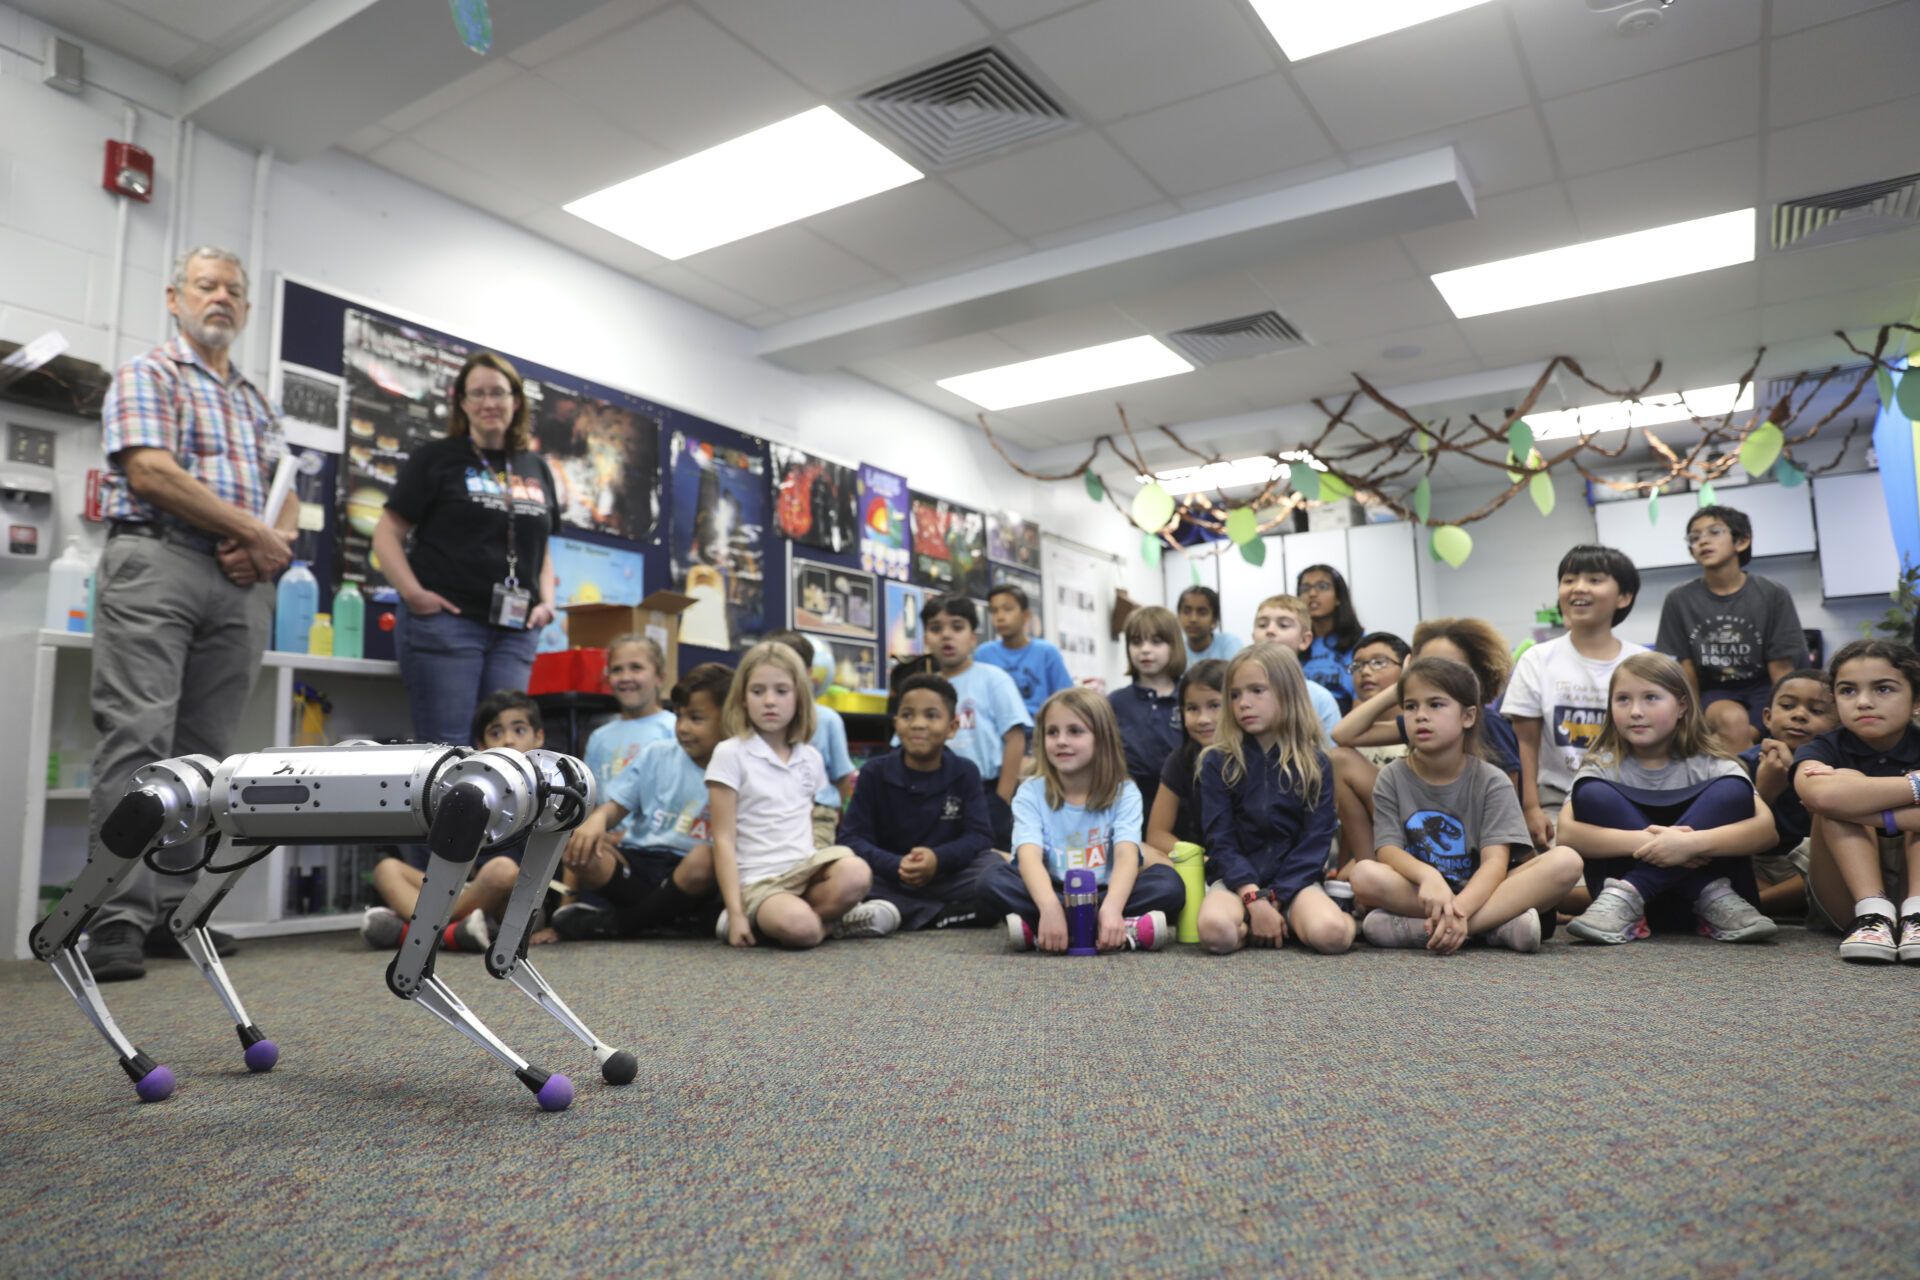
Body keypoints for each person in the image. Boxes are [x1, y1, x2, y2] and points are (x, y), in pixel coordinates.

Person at [82, 246, 297, 983]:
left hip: (238, 581)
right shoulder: (150, 372)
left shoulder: (256, 401)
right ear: (175, 297)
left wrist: (270, 546)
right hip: (159, 562)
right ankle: (112, 916)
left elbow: (286, 492)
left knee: (207, 750)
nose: (222, 299)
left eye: (234, 291)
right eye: (207, 287)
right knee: (138, 736)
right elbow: (151, 472)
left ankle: (178, 911)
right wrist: (252, 532)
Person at [374, 351, 560, 750]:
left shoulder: (535, 467)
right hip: (447, 625)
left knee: (511, 753)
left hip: (516, 631)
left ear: (516, 400)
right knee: (449, 752)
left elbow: (541, 547)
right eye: (477, 394)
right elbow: (387, 533)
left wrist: (548, 601)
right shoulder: (436, 459)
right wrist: (414, 595)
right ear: (461, 402)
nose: (489, 403)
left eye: (498, 392)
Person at [1350, 658, 1583, 954]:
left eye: (1435, 705)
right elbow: (1387, 851)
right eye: (1411, 706)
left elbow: (1495, 865)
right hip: (1423, 891)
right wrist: (1428, 876)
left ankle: (1442, 929)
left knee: (1566, 860)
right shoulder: (1391, 777)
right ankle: (1499, 926)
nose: (1421, 715)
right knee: (1364, 874)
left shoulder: (1492, 780)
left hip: (1488, 890)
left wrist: (1459, 910)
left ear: (1468, 716)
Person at [1559, 654, 1780, 945]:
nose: (1636, 711)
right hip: (1618, 911)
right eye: (1623, 699)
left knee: (1731, 789)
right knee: (1592, 792)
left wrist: (1690, 845)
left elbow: (1766, 832)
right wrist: (1653, 845)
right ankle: (1679, 891)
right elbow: (1566, 834)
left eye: (1651, 698)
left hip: (1722, 910)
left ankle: (1657, 891)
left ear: (1682, 706)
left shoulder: (1714, 765)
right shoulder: (1601, 767)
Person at [708, 642, 899, 948]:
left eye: (782, 691)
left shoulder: (809, 756)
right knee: (803, 931)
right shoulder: (730, 753)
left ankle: (812, 918)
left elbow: (806, 822)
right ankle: (830, 923)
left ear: (800, 696)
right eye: (758, 691)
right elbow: (723, 839)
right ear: (742, 698)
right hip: (759, 881)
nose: (770, 701)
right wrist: (737, 911)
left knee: (857, 872)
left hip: (805, 870)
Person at [534, 663, 733, 942]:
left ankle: (624, 924)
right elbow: (615, 807)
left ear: (730, 719)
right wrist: (597, 822)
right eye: (678, 716)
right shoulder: (658, 753)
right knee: (583, 848)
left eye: (696, 719)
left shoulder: (738, 764)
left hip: (692, 877)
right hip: (641, 861)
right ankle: (675, 921)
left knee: (704, 859)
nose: (683, 728)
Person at [978, 689, 1184, 952]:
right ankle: (1109, 928)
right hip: (1052, 890)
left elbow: (1126, 855)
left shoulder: (1125, 792)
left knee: (1169, 884)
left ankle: (1047, 931)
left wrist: (1111, 908)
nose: (1061, 741)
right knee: (992, 879)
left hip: (1105, 892)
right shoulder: (1030, 791)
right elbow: (1028, 856)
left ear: (1102, 739)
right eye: (1052, 732)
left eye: (1075, 731)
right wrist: (1050, 907)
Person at [1194, 643, 1353, 956]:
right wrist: (1254, 899)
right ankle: (1262, 924)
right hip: (1236, 882)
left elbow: (1315, 842)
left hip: (1295, 883)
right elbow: (1220, 840)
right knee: (1216, 933)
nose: (1244, 704)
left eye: (1257, 690)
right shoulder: (1216, 761)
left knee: (1331, 935)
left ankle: (1337, 915)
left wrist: (1277, 897)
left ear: (1288, 693)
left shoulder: (1316, 763)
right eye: (1235, 695)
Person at [359, 690, 548, 952]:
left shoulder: (549, 788)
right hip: (472, 892)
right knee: (386, 868)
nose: (507, 739)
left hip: (517, 898)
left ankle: (414, 933)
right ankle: (452, 932)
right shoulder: (475, 788)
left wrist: (558, 920)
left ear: (539, 737)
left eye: (518, 730)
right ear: (481, 746)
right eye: (496, 733)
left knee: (502, 870)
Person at [1502, 545, 1647, 853]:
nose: (1578, 588)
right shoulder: (1537, 659)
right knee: (1561, 876)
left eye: (1594, 580)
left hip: (1635, 797)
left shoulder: (1645, 662)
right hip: (1556, 799)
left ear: (1624, 597)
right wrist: (1530, 809)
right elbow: (1524, 743)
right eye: (1569, 580)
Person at [1793, 640, 1920, 963]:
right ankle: (1872, 915)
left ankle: (1917, 914)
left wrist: (1864, 806)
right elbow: (1822, 795)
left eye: (1884, 689)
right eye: (1848, 691)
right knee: (1841, 784)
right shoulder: (1822, 747)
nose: (1864, 702)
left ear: (1916, 700)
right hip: (1845, 890)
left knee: (1847, 791)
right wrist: (1917, 785)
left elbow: (1838, 796)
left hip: (1912, 875)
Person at [842, 674, 997, 931]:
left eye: (932, 715)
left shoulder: (965, 771)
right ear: (895, 723)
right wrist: (896, 865)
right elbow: (851, 838)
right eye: (907, 715)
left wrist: (937, 860)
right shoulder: (874, 772)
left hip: (946, 875)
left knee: (994, 870)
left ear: (952, 726)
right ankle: (942, 914)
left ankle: (898, 912)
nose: (918, 724)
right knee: (845, 871)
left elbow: (979, 836)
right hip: (890, 876)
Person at [1656, 505, 1807, 747]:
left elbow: (1781, 666)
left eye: (1714, 532)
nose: (1703, 541)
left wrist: (1788, 713)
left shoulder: (1772, 593)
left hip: (1765, 690)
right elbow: (1686, 667)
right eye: (1695, 537)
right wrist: (1691, 722)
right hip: (1715, 692)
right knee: (1732, 720)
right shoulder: (1679, 599)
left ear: (1742, 541)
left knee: (1736, 738)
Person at [922, 595, 1031, 848]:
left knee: (989, 860)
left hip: (987, 792)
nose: (946, 636)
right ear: (926, 638)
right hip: (935, 793)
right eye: (936, 629)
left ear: (973, 637)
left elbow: (1015, 738)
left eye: (957, 627)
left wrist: (1002, 799)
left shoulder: (994, 679)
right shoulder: (924, 689)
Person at [1737, 668, 1837, 920]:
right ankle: (1779, 903)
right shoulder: (1742, 764)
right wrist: (1765, 791)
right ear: (1768, 717)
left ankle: (1756, 905)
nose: (1800, 715)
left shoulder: (1837, 768)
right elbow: (1731, 830)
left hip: (1806, 865)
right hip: (1756, 862)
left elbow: (1829, 846)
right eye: (1788, 706)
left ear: (1838, 723)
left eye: (1816, 711)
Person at [579, 634, 677, 851]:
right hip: (603, 844)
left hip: (652, 845)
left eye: (636, 668)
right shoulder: (599, 737)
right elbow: (592, 802)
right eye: (617, 670)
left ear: (660, 676)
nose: (625, 677)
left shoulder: (673, 729)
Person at [1326, 631, 1412, 876]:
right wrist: (1342, 867)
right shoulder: (1353, 739)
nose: (1365, 671)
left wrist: (1406, 685)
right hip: (1373, 845)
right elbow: (1350, 822)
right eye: (1358, 665)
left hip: (1414, 834)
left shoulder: (1420, 724)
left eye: (1378, 662)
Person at [766, 631, 857, 847]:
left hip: (819, 813)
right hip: (771, 812)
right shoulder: (762, 718)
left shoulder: (828, 720)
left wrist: (828, 811)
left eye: (791, 670)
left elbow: (842, 778)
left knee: (812, 865)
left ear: (808, 673)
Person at [1144, 659, 1227, 859]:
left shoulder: (1256, 756)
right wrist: (1198, 858)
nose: (1203, 719)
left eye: (1214, 705)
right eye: (1192, 708)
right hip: (1202, 862)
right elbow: (1156, 834)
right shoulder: (1181, 759)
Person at [1109, 605, 1186, 815]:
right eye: (1136, 642)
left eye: (1156, 641)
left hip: (1187, 802)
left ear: (1174, 645)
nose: (1145, 649)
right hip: (1132, 806)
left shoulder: (1190, 697)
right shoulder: (1116, 702)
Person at [1247, 594, 1342, 738]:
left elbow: (1333, 754)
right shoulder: (1239, 694)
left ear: (1304, 640)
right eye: (1262, 625)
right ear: (1254, 637)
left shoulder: (1320, 698)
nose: (1270, 631)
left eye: (1283, 625)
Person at [977, 583, 1073, 717]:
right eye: (994, 611)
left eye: (1008, 609)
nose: (1000, 617)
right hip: (998, 733)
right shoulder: (984, 654)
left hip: (1038, 731)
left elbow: (1068, 699)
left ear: (1026, 615)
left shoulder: (1046, 652)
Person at [1296, 564, 1363, 713]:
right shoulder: (1292, 643)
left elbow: (1364, 697)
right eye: (1305, 589)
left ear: (1338, 597)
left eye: (1322, 586)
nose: (1312, 593)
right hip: (1299, 716)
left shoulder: (1362, 643)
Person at [1176, 585, 1242, 665]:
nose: (1193, 619)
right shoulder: (1175, 651)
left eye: (1202, 613)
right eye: (1187, 612)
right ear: (1178, 616)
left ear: (1214, 619)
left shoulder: (1229, 643)